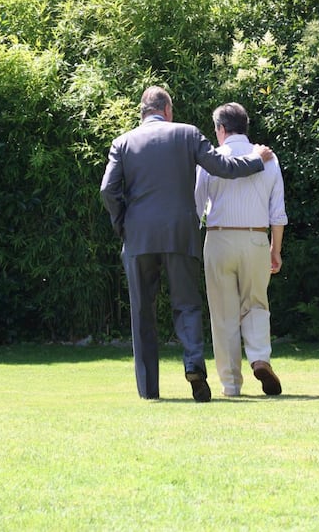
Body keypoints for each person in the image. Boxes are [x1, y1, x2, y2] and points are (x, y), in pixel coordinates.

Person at [100, 86, 273, 402]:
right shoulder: (188, 134)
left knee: (142, 313)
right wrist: (256, 161)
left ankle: (149, 390)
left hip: (139, 237)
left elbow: (108, 191)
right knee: (187, 305)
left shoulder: (122, 143)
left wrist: (123, 226)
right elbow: (223, 168)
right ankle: (194, 366)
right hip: (180, 232)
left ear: (143, 111)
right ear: (167, 109)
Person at [195, 102, 288, 397]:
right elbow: (278, 212)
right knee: (257, 305)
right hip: (256, 238)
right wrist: (276, 249)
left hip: (219, 239)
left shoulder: (211, 159)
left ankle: (231, 384)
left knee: (223, 313)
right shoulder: (269, 159)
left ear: (221, 129)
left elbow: (197, 206)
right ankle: (260, 357)